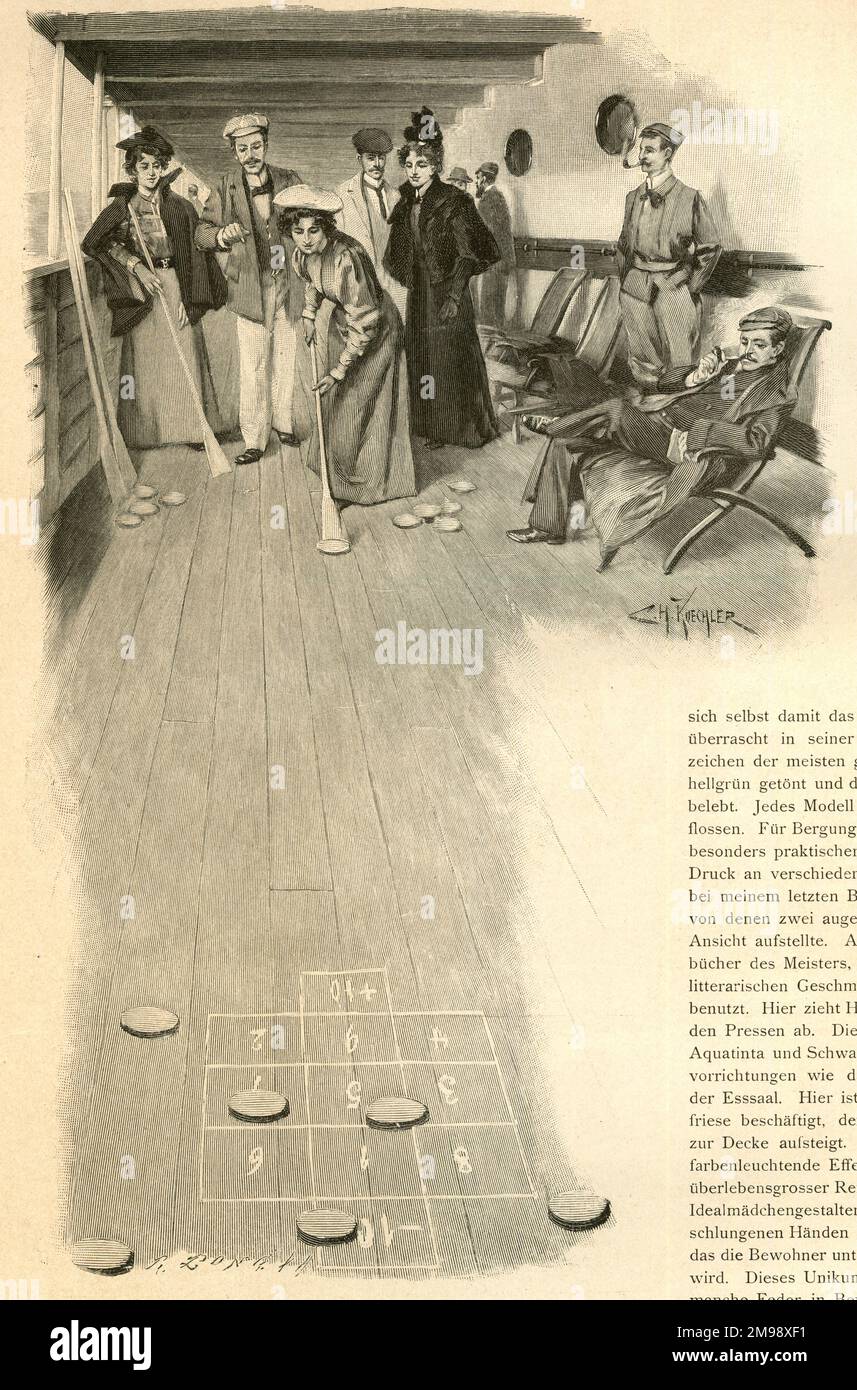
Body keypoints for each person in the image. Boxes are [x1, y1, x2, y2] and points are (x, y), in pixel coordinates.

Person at [507, 307, 798, 562]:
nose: (748, 350)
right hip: (658, 424)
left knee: (616, 410)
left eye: (759, 345)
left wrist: (701, 433)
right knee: (566, 442)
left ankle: (554, 423)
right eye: (745, 341)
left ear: (778, 349)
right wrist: (695, 377)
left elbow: (756, 443)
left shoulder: (778, 394)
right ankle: (546, 527)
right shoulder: (732, 366)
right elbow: (664, 384)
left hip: (688, 450)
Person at [82, 126, 226, 452]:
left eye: (156, 165)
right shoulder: (123, 207)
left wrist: (189, 299)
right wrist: (135, 265)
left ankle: (192, 429)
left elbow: (193, 254)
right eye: (143, 166)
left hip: (175, 283)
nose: (151, 172)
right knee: (146, 362)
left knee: (185, 355)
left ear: (163, 168)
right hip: (143, 288)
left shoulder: (179, 206)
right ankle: (146, 434)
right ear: (133, 171)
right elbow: (95, 243)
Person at [275, 184, 415, 506]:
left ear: (326, 227)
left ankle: (363, 484)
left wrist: (338, 371)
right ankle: (336, 478)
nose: (306, 239)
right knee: (338, 404)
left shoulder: (346, 258)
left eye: (314, 230)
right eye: (298, 231)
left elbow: (366, 320)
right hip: (347, 326)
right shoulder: (302, 255)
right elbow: (313, 284)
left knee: (361, 404)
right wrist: (309, 315)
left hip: (375, 332)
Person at [384, 107, 500, 450]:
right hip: (420, 291)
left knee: (450, 359)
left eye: (422, 165)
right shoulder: (405, 201)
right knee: (421, 355)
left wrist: (452, 297)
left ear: (436, 167)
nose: (414, 171)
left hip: (450, 292)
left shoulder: (454, 200)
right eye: (409, 165)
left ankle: (460, 428)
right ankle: (428, 425)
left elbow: (468, 253)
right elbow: (397, 249)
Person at [194, 113, 303, 464]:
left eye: (257, 146)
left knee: (285, 358)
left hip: (288, 283)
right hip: (250, 289)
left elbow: (310, 221)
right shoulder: (224, 186)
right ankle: (255, 439)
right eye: (243, 148)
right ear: (234, 152)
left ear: (266, 145)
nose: (251, 153)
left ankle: (283, 423)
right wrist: (221, 236)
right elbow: (201, 233)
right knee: (254, 364)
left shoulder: (289, 180)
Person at [616, 122, 721, 391]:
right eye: (641, 150)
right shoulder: (632, 198)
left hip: (674, 289)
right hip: (636, 289)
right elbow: (623, 245)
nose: (642, 157)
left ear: (668, 154)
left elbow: (710, 247)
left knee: (680, 363)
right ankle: (646, 424)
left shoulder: (689, 198)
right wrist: (628, 279)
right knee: (642, 363)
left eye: (650, 150)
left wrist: (689, 287)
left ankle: (675, 422)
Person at [335, 128, 405, 316]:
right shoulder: (343, 195)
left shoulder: (397, 196)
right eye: (370, 158)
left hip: (394, 285)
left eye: (381, 158)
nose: (377, 164)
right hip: (360, 286)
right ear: (360, 159)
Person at [472, 161, 515, 329]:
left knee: (489, 311)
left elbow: (486, 232)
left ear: (483, 179)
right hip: (501, 261)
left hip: (495, 263)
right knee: (495, 310)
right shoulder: (498, 197)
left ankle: (492, 351)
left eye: (477, 178)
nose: (476, 182)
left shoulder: (489, 199)